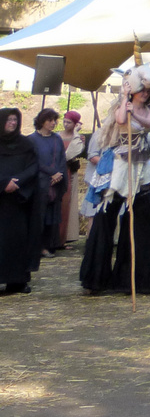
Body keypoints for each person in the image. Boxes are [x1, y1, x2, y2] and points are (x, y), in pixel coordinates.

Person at [80, 68, 150, 297]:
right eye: (141, 91)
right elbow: (121, 119)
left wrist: (136, 112)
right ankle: (96, 279)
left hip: (139, 169)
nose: (145, 94)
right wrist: (125, 100)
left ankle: (141, 279)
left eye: (148, 91)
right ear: (134, 90)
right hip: (119, 167)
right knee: (105, 220)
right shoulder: (121, 107)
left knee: (141, 223)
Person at [0, 108, 40, 295]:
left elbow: (33, 167)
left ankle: (17, 281)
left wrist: (18, 182)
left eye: (15, 120)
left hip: (18, 201)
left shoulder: (26, 144)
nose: (12, 123)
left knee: (17, 241)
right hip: (1, 198)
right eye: (9, 120)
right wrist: (3, 184)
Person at [27, 108, 67, 258]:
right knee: (39, 216)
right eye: (50, 120)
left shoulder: (57, 139)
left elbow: (62, 159)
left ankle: (49, 244)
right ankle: (37, 247)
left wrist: (59, 174)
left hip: (56, 183)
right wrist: (51, 173)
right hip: (40, 183)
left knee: (52, 216)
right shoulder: (31, 140)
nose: (53, 123)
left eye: (55, 120)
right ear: (42, 121)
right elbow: (34, 161)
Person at [60, 110, 86, 248]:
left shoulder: (78, 138)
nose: (65, 124)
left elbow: (71, 153)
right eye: (64, 121)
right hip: (59, 171)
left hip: (71, 171)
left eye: (69, 122)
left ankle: (67, 236)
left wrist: (76, 134)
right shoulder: (58, 136)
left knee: (69, 202)